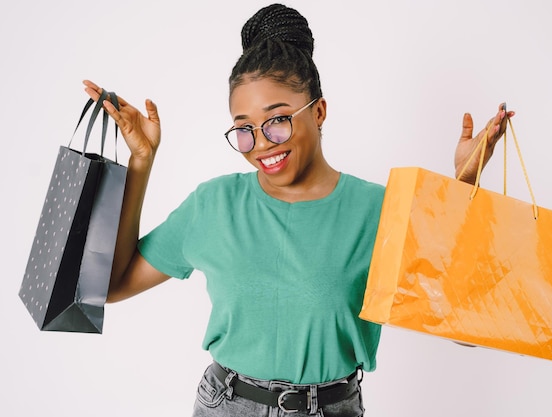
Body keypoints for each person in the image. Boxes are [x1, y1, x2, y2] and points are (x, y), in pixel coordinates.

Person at [84, 4, 513, 417]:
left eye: (278, 119)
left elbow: (466, 331)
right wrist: (141, 160)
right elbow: (111, 285)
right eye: (244, 129)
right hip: (227, 406)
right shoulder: (213, 205)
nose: (263, 142)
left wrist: (463, 189)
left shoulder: (380, 210)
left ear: (319, 111)